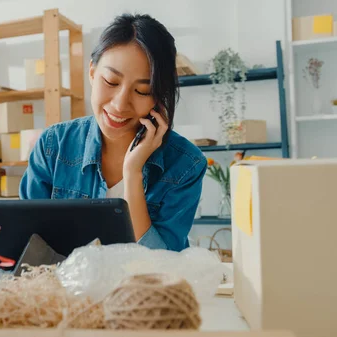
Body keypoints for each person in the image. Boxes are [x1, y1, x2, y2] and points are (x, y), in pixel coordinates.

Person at [19, 14, 207, 252]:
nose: (120, 105)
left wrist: (132, 173)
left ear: (159, 96)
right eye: (110, 81)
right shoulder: (53, 146)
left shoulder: (186, 164)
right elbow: (26, 247)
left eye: (142, 90)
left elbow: (162, 264)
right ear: (92, 72)